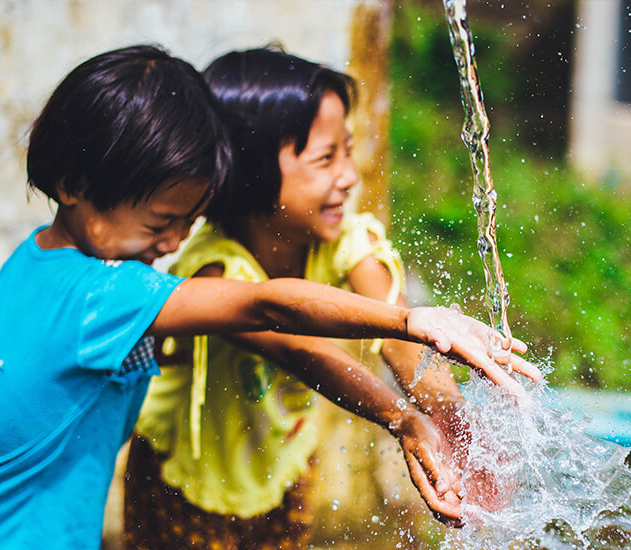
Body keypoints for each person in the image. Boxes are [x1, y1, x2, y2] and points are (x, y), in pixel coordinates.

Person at [0, 44, 540, 550]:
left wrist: (430, 410)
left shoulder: (35, 262)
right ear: (73, 184)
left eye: (185, 221)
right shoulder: (103, 293)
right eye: (158, 224)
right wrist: (412, 321)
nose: (172, 243)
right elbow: (267, 307)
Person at [123, 45, 507, 549]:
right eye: (326, 158)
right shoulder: (214, 267)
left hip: (284, 465)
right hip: (185, 479)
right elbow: (300, 349)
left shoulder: (346, 240)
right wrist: (402, 417)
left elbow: (403, 339)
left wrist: (454, 423)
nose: (348, 176)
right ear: (251, 171)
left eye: (347, 151)